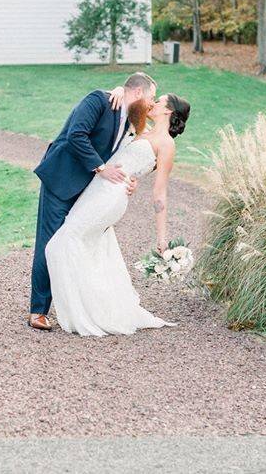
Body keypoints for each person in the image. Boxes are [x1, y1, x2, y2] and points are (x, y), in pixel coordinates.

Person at [46, 92, 191, 336]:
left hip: (111, 197)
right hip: (95, 190)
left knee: (60, 244)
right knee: (89, 248)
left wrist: (162, 238)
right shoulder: (141, 130)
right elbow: (129, 103)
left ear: (168, 111)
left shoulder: (166, 144)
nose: (152, 103)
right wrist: (119, 89)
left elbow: (160, 194)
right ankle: (96, 306)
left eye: (159, 101)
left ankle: (84, 312)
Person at [28, 72, 157, 331]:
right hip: (61, 180)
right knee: (50, 240)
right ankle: (38, 311)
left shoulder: (131, 121)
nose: (152, 104)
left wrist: (130, 179)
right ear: (139, 93)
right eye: (151, 97)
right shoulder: (98, 100)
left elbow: (124, 156)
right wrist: (100, 169)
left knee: (78, 242)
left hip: (89, 191)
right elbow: (77, 135)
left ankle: (77, 304)